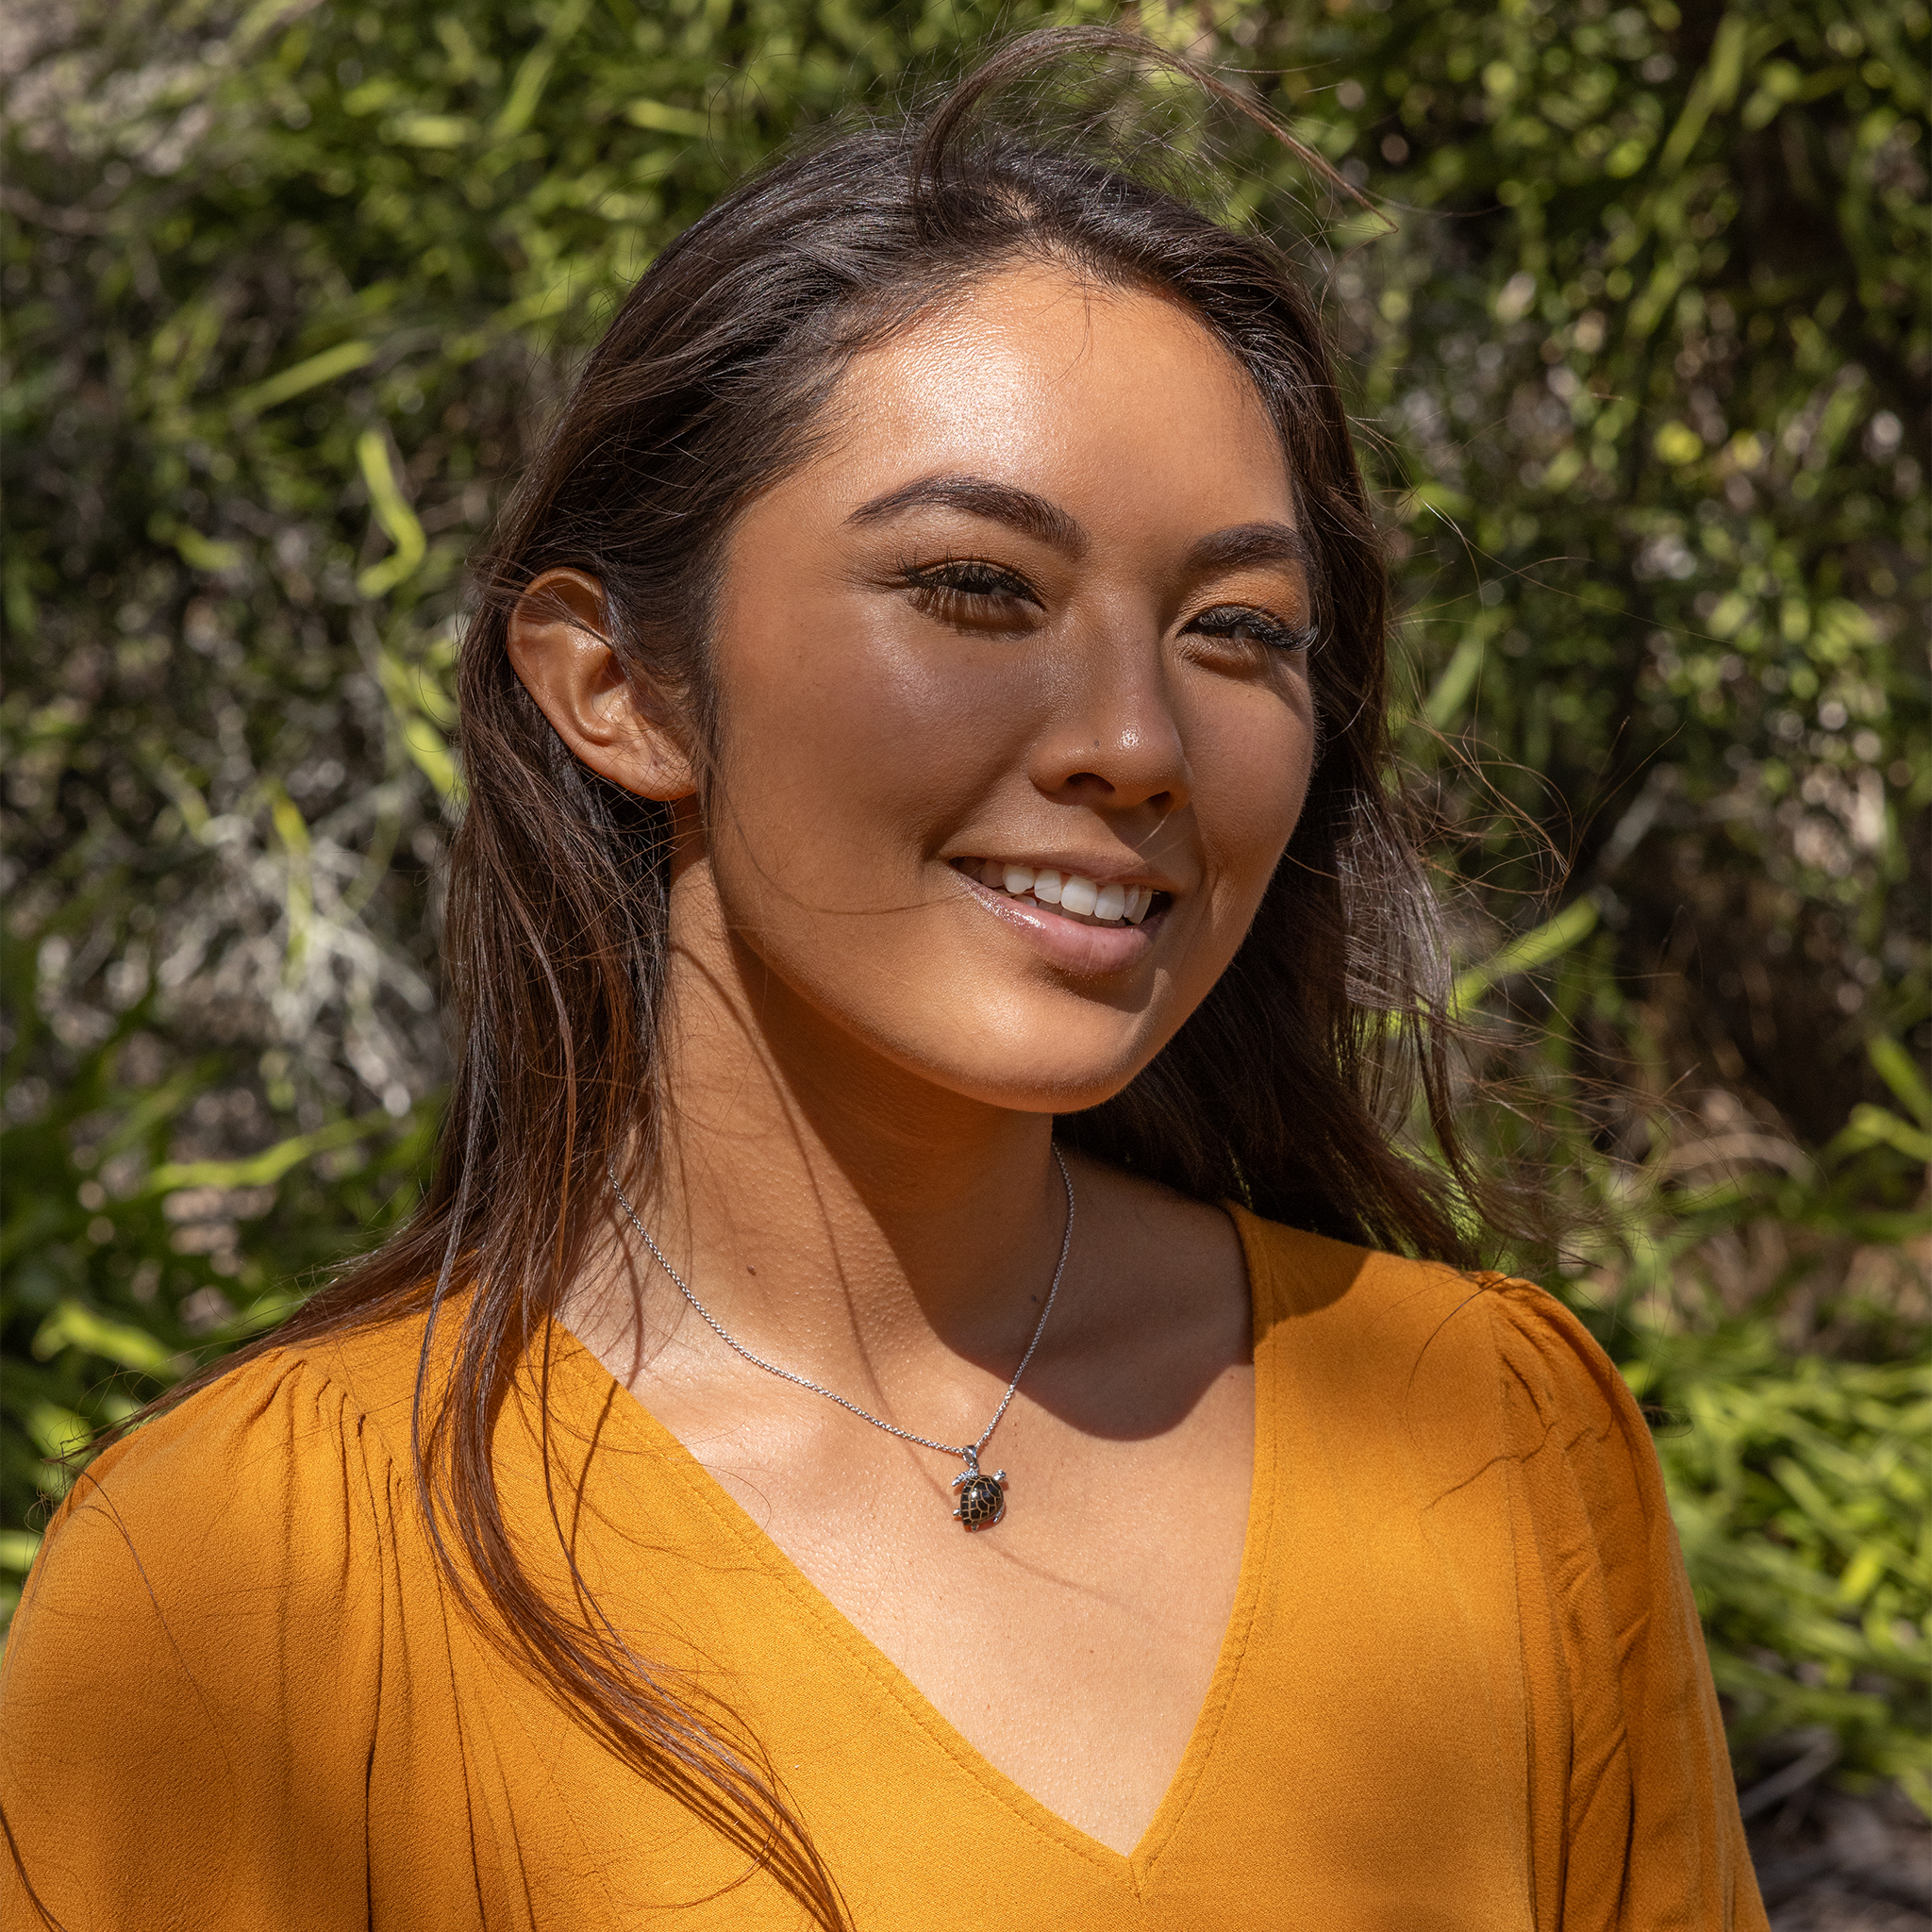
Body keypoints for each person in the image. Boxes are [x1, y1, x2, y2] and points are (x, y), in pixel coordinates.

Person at [0, 28, 1766, 1930]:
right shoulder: (250, 1582)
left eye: (1236, 631)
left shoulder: (1491, 1442)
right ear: (620, 686)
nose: (1135, 735)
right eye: (974, 587)